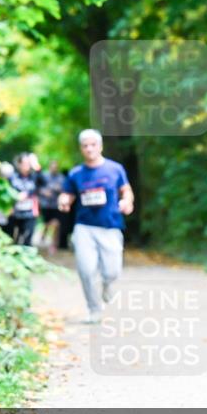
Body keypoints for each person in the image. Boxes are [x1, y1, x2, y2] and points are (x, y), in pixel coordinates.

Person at [58, 129, 134, 324]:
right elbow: (68, 194)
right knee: (86, 269)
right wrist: (64, 200)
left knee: (112, 271)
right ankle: (94, 310)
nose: (89, 149)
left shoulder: (115, 169)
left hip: (110, 225)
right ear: (81, 149)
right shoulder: (75, 173)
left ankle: (108, 285)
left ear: (100, 146)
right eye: (85, 146)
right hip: (84, 227)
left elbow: (126, 191)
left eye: (93, 145)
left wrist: (127, 202)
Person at [7, 153, 43, 246]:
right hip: (15, 212)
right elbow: (6, 191)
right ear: (19, 164)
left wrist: (36, 165)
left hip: (30, 212)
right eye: (24, 163)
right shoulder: (12, 177)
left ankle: (27, 256)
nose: (27, 166)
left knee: (28, 238)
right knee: (14, 238)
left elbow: (44, 182)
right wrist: (16, 196)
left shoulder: (35, 176)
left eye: (28, 163)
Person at [35, 160, 67, 255]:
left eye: (56, 167)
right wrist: (43, 192)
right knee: (46, 224)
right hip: (45, 205)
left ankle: (53, 245)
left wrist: (59, 189)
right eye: (52, 166)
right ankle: (42, 236)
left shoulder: (61, 178)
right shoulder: (44, 176)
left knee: (56, 225)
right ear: (49, 167)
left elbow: (65, 189)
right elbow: (36, 187)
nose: (54, 168)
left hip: (56, 205)